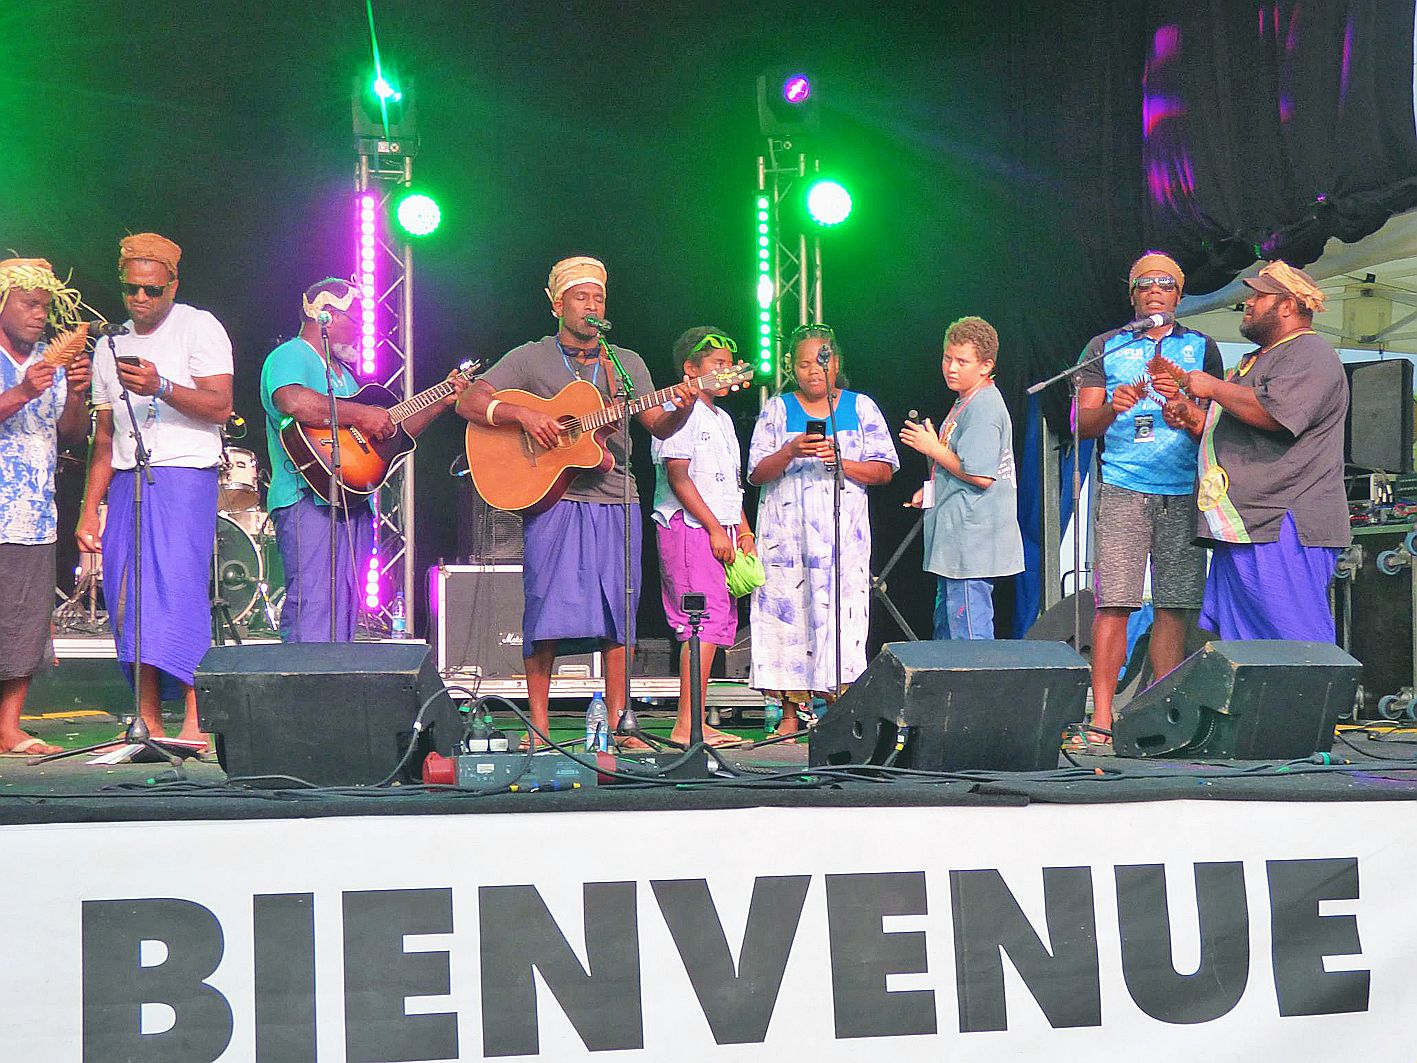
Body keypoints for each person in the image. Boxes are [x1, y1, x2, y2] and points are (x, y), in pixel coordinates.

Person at [454, 256, 697, 749]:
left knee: (618, 612)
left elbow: (657, 425)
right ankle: (539, 729)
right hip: (553, 499)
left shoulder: (625, 363)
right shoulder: (529, 357)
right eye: (581, 297)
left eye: (599, 298)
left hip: (616, 498)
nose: (591, 306)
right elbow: (468, 402)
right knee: (544, 610)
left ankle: (620, 725)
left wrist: (684, 408)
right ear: (557, 303)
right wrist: (522, 413)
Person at [76, 233, 233, 746]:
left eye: (152, 290)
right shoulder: (110, 343)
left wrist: (161, 385)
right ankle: (147, 722)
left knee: (177, 594)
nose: (140, 299)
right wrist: (87, 511)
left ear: (173, 286)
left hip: (183, 477)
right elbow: (104, 439)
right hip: (127, 481)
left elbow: (219, 407)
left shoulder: (199, 325)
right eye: (131, 289)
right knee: (129, 600)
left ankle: (195, 721)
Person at [260, 278, 467, 641]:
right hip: (307, 498)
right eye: (355, 320)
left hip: (349, 499)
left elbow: (389, 431)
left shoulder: (345, 378)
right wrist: (360, 414)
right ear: (326, 317)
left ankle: (334, 689)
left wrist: (442, 399)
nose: (359, 331)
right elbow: (293, 402)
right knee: (314, 606)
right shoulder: (291, 355)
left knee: (343, 611)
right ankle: (306, 690)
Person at [1073, 251, 1223, 750]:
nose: (1155, 290)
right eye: (1144, 284)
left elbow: (1210, 422)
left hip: (1183, 491)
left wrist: (1182, 407)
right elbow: (1079, 425)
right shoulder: (1104, 346)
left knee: (1173, 606)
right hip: (1122, 487)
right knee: (1114, 602)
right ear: (1133, 294)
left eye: (1165, 284)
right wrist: (1112, 409)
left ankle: (1162, 712)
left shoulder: (1202, 348)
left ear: (1179, 295)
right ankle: (1103, 716)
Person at [1162, 260, 1349, 640]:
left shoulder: (1310, 353)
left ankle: (1313, 703)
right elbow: (1245, 432)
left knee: (1296, 644)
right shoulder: (1254, 361)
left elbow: (1279, 416)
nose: (1248, 303)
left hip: (1285, 522)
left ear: (1287, 305)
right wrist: (1196, 419)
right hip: (1245, 525)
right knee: (1248, 651)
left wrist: (1213, 388)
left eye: (1260, 296)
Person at [748, 325, 898, 735]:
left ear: (836, 364)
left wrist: (842, 462)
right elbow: (757, 473)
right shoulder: (777, 410)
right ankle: (790, 717)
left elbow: (884, 470)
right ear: (791, 368)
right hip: (787, 542)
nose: (813, 371)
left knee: (842, 623)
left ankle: (839, 715)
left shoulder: (860, 406)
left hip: (840, 541)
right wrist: (791, 449)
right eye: (802, 363)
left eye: (821, 361)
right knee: (788, 622)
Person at [0, 259, 93, 757]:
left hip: (33, 513)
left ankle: (8, 728)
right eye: (29, 304)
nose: (39, 316)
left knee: (22, 623)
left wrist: (76, 393)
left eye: (45, 307)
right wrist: (20, 392)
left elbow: (72, 435)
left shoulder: (49, 363)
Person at [651, 326, 755, 748]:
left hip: (722, 529)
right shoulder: (676, 407)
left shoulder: (722, 417)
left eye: (729, 366)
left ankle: (697, 721)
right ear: (691, 369)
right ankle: (685, 726)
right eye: (717, 365)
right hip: (690, 528)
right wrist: (714, 528)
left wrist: (742, 527)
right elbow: (679, 477)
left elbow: (728, 484)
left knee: (715, 624)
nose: (727, 373)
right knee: (698, 623)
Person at [899, 316, 1023, 638]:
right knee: (949, 631)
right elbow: (959, 463)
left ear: (985, 366)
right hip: (957, 542)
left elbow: (981, 475)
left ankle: (976, 690)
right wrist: (933, 485)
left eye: (962, 361)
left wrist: (932, 448)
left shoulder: (982, 407)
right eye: (947, 358)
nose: (951, 368)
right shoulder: (965, 401)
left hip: (972, 543)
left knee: (968, 634)